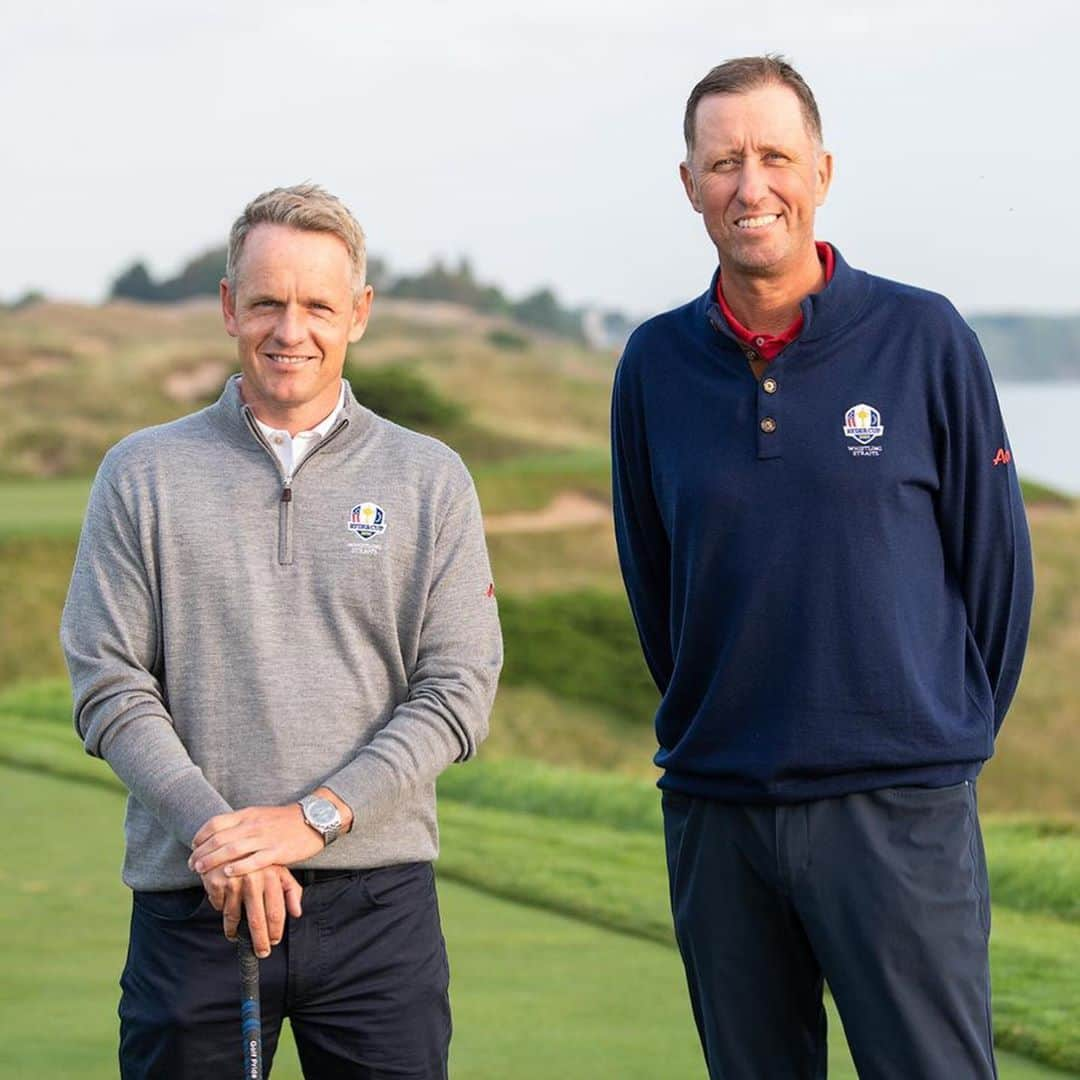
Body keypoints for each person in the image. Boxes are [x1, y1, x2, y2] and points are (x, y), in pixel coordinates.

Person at [611, 56, 1033, 1078]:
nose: (751, 187)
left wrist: (927, 741)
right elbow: (657, 590)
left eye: (773, 157)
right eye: (723, 163)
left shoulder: (925, 338)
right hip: (721, 816)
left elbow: (997, 583)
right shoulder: (653, 367)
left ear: (823, 171)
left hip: (899, 815)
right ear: (689, 185)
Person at [61, 183, 503, 1079]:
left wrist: (311, 821)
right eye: (266, 301)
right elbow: (108, 685)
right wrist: (222, 836)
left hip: (379, 912)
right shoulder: (141, 473)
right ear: (229, 306)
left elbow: (457, 691)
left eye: (317, 305)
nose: (289, 329)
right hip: (196, 903)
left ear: (360, 314)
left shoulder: (432, 477)